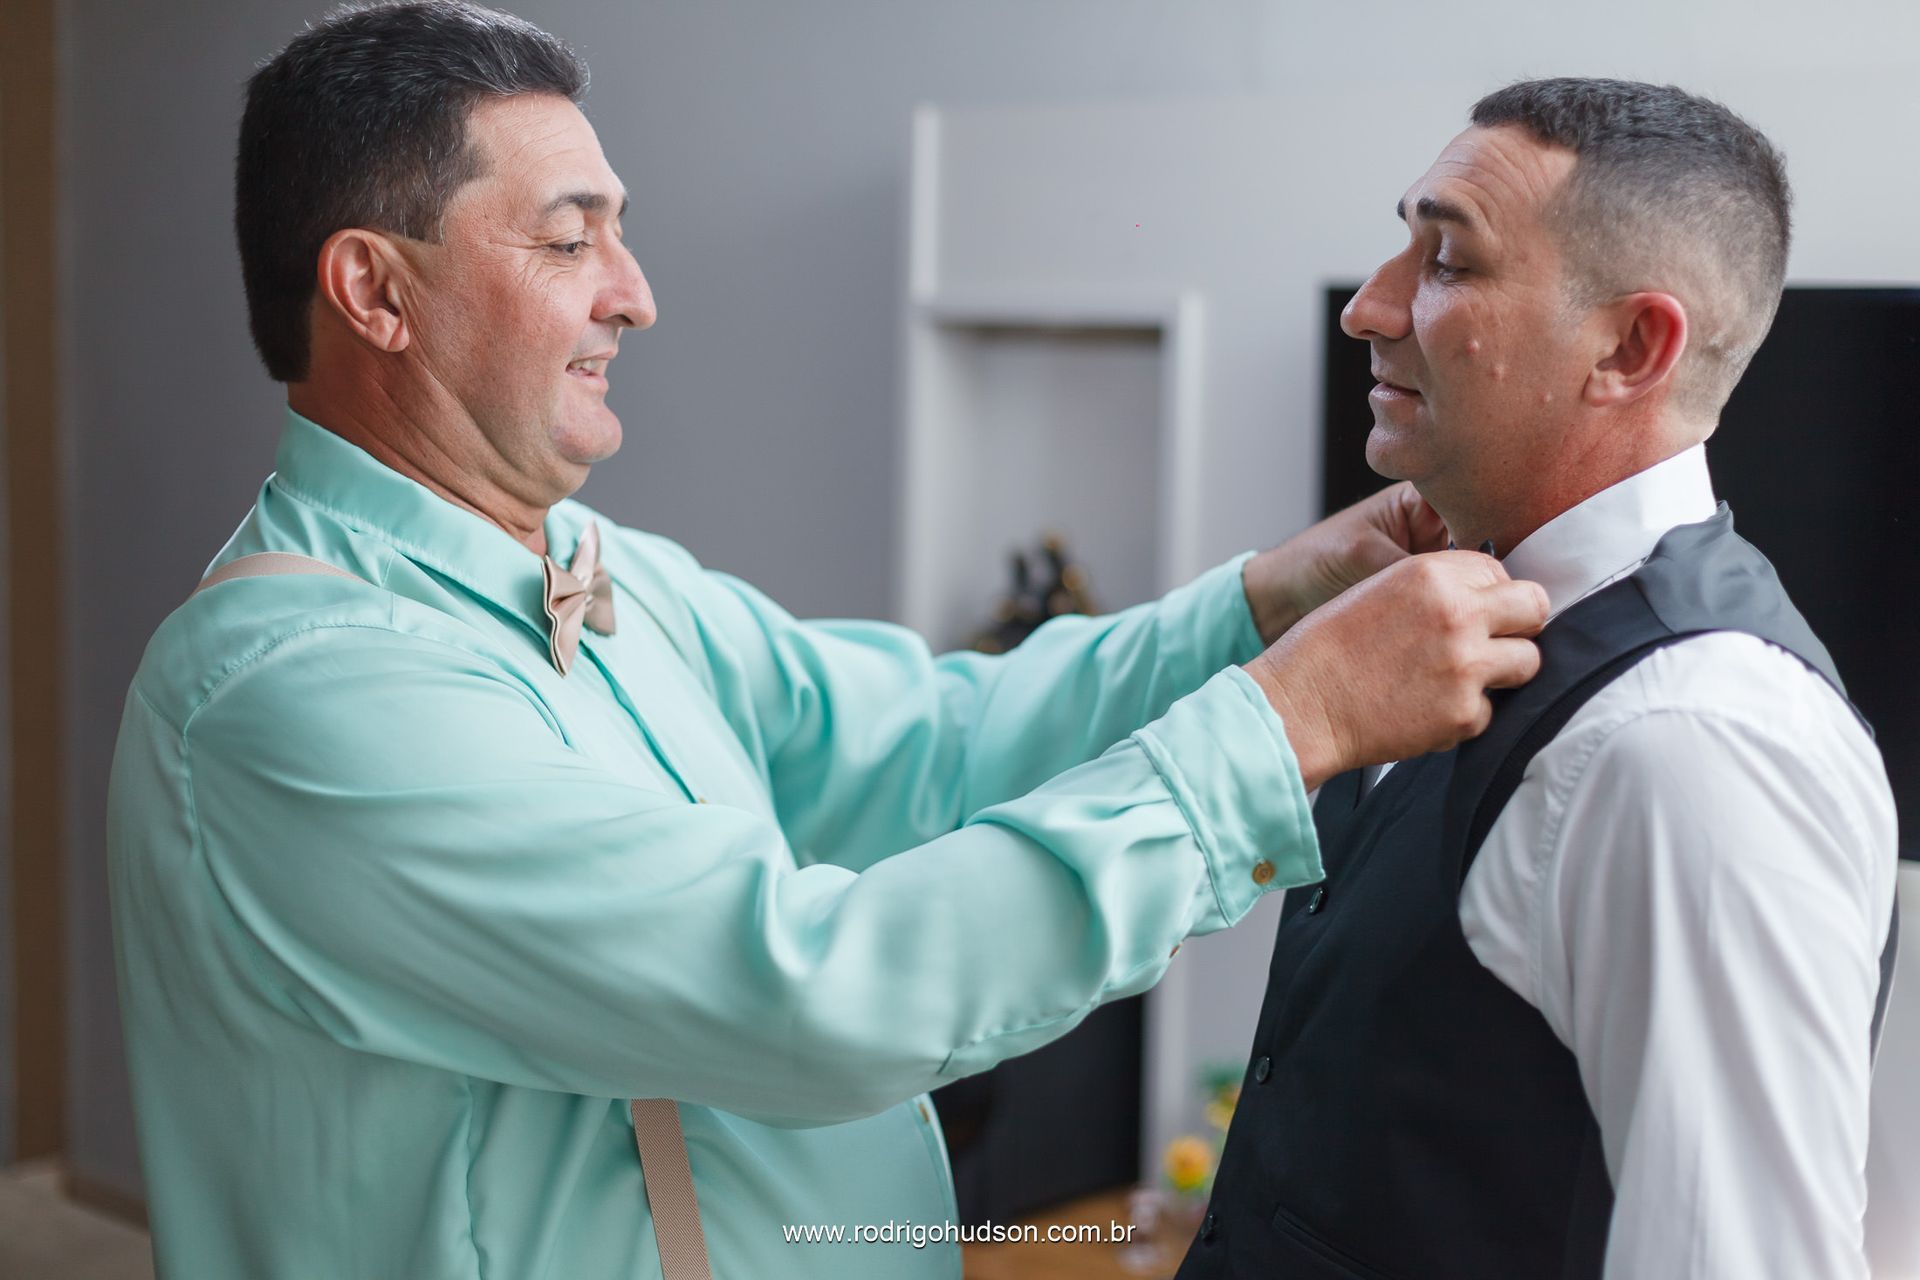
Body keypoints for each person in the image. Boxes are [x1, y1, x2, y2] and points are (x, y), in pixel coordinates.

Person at [103, 5, 1550, 1278]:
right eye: (569, 238)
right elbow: (807, 992)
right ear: (375, 292)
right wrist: (1284, 728)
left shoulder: (606, 576)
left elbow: (926, 741)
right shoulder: (292, 694)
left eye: (618, 228)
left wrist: (1252, 614)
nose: (635, 291)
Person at [1177, 78, 1900, 1280]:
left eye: (1448, 260)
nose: (1370, 306)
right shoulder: (1434, 607)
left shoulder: (1694, 745)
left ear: (1631, 346)